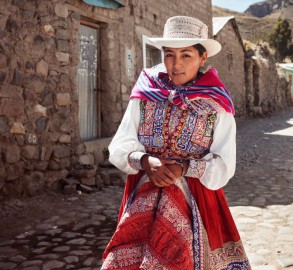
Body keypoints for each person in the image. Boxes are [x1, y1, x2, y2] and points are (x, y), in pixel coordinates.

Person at [101, 16, 251, 270]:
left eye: (186, 55)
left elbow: (224, 164)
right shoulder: (146, 93)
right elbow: (120, 144)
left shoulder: (217, 104)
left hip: (196, 201)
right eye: (169, 55)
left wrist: (184, 168)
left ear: (203, 58)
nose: (176, 64)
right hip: (143, 197)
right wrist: (145, 161)